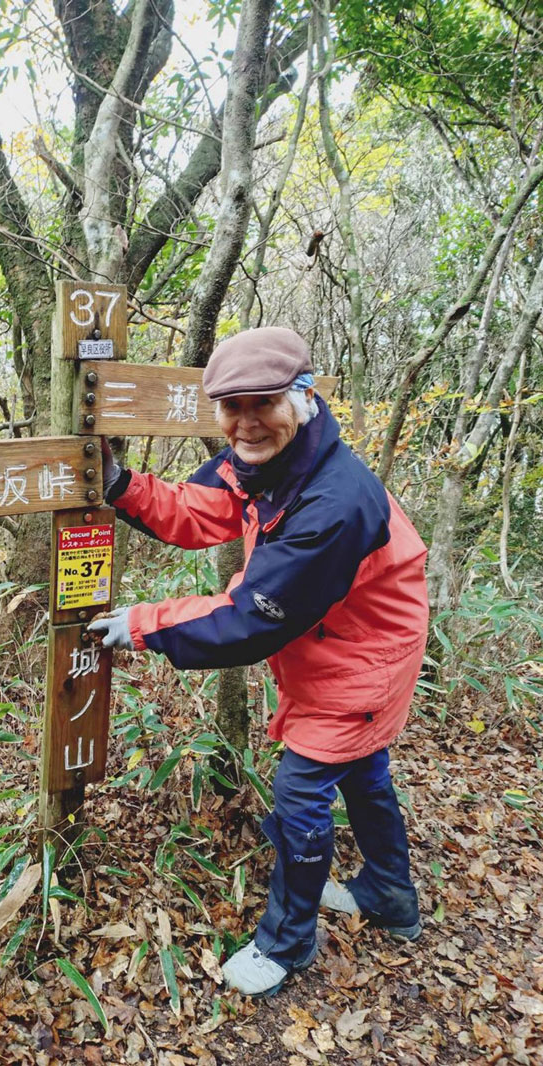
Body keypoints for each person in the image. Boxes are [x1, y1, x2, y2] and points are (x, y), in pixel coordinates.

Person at [87, 327, 429, 997]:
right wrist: (121, 486)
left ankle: (286, 942)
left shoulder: (332, 502)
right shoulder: (264, 462)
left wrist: (141, 624)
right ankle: (390, 894)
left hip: (364, 659)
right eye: (230, 405)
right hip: (342, 648)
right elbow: (196, 509)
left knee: (303, 793)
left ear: (301, 397)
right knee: (363, 772)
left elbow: (247, 622)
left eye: (263, 402)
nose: (245, 422)